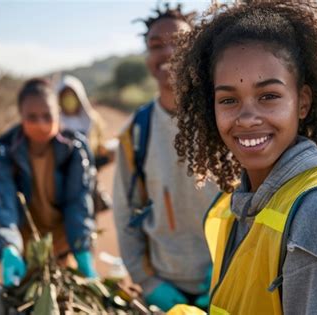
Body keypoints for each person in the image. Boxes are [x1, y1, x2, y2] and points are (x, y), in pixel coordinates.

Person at [171, 1, 317, 314]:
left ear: (301, 101)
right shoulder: (248, 200)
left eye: (269, 96)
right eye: (229, 99)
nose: (247, 118)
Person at [113, 3, 218, 312]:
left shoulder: (223, 116)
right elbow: (126, 212)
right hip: (164, 287)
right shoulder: (136, 131)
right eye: (155, 45)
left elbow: (252, 200)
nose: (167, 51)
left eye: (178, 42)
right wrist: (147, 282)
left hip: (228, 280)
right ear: (147, 57)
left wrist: (231, 269)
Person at [0, 78, 97, 287]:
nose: (41, 124)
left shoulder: (75, 151)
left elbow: (78, 203)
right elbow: (3, 204)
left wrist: (82, 250)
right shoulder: (4, 152)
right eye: (32, 117)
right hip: (25, 249)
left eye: (48, 116)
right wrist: (9, 247)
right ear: (21, 116)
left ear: (58, 114)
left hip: (64, 245)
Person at [57, 75, 114, 214]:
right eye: (65, 96)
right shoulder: (55, 121)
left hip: (89, 170)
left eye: (72, 95)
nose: (69, 100)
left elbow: (100, 143)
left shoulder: (92, 119)